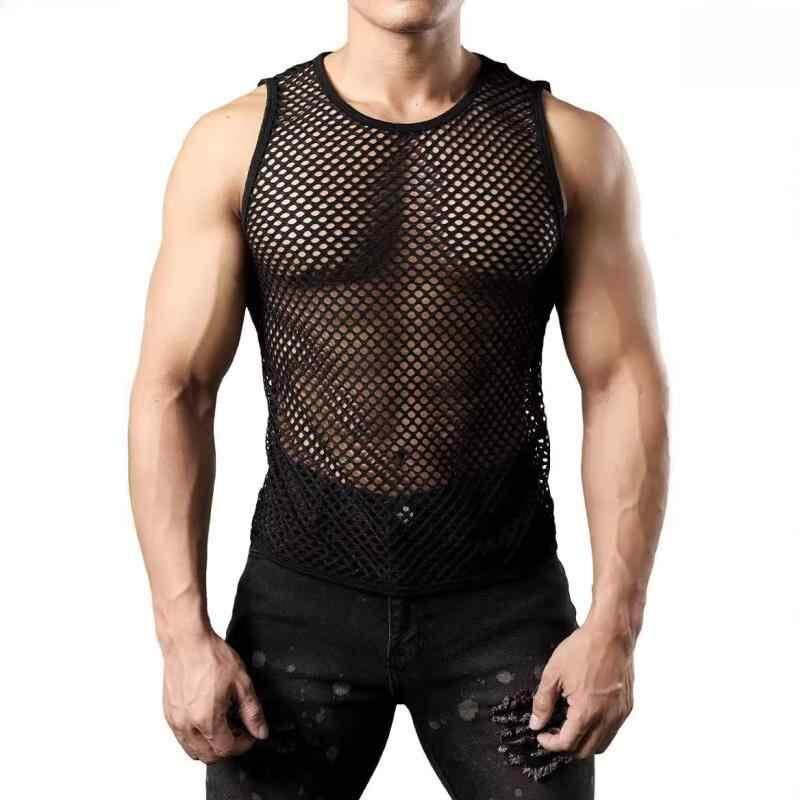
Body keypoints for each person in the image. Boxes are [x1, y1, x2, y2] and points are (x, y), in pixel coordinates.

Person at [127, 2, 669, 797]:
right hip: (298, 602)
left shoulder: (571, 145)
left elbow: (622, 382)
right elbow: (175, 389)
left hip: (504, 604)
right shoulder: (234, 143)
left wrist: (615, 628)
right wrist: (181, 637)